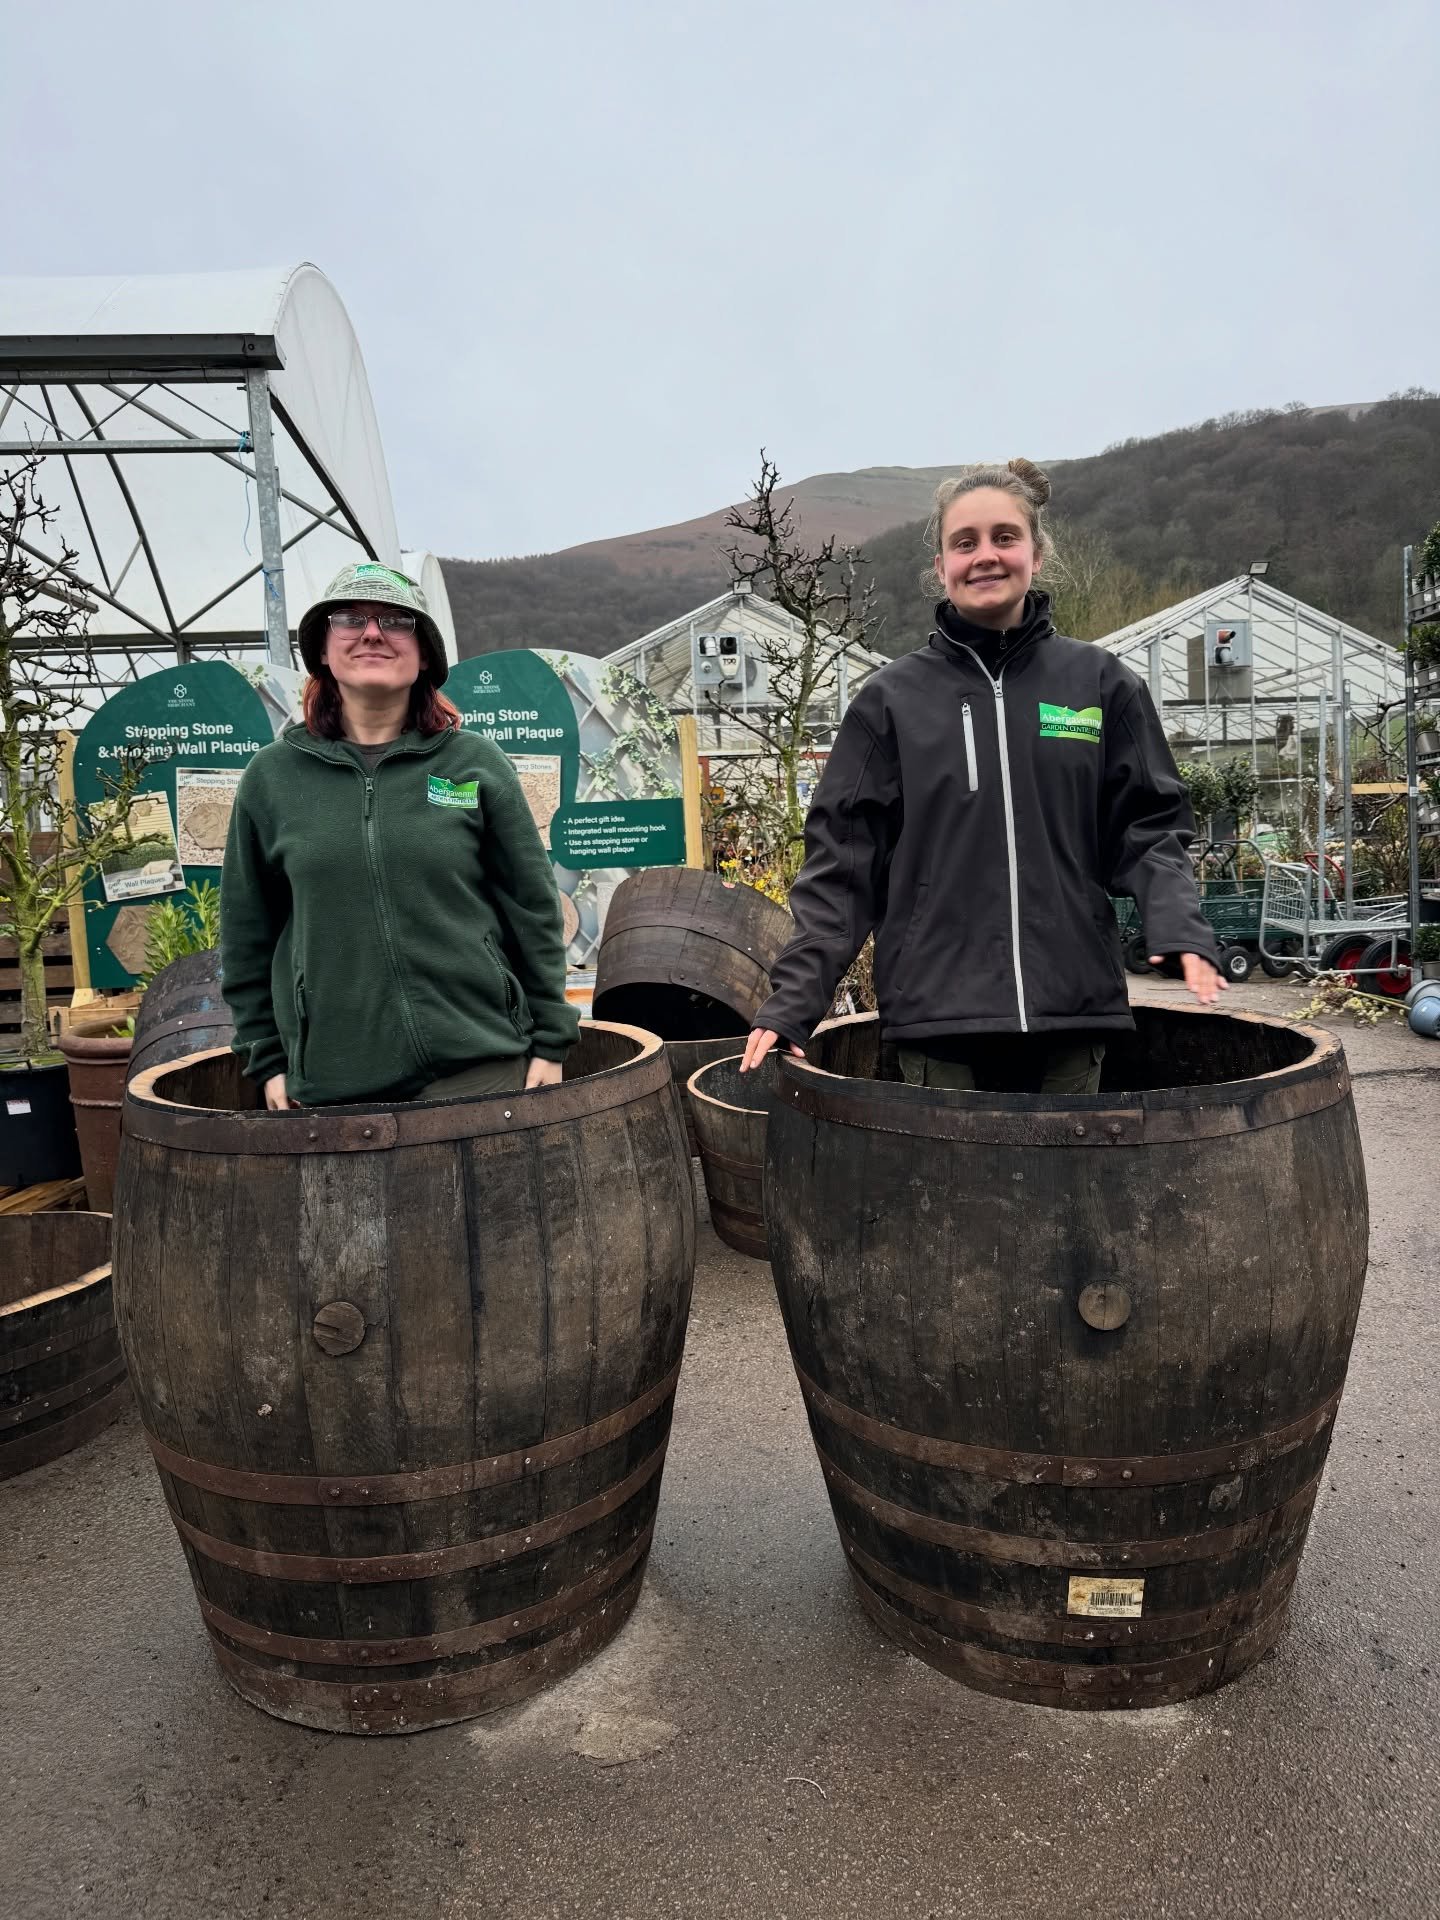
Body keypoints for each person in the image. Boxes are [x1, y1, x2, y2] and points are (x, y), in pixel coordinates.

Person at [742, 460, 1221, 1093]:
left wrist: (1178, 924)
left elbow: (1150, 826)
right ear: (941, 565)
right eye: (964, 542)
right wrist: (795, 1000)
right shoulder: (890, 702)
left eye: (1005, 537)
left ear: (1036, 555)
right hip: (938, 1020)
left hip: (1070, 1010)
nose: (985, 556)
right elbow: (843, 862)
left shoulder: (1102, 685)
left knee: (1068, 1163)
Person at [222, 561, 578, 1109]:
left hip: (479, 1064)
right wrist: (266, 1058)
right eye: (349, 619)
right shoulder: (271, 778)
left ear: (425, 655)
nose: (371, 633)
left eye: (396, 621)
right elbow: (247, 933)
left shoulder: (474, 764)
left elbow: (532, 908)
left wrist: (552, 1039)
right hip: (333, 1079)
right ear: (322, 650)